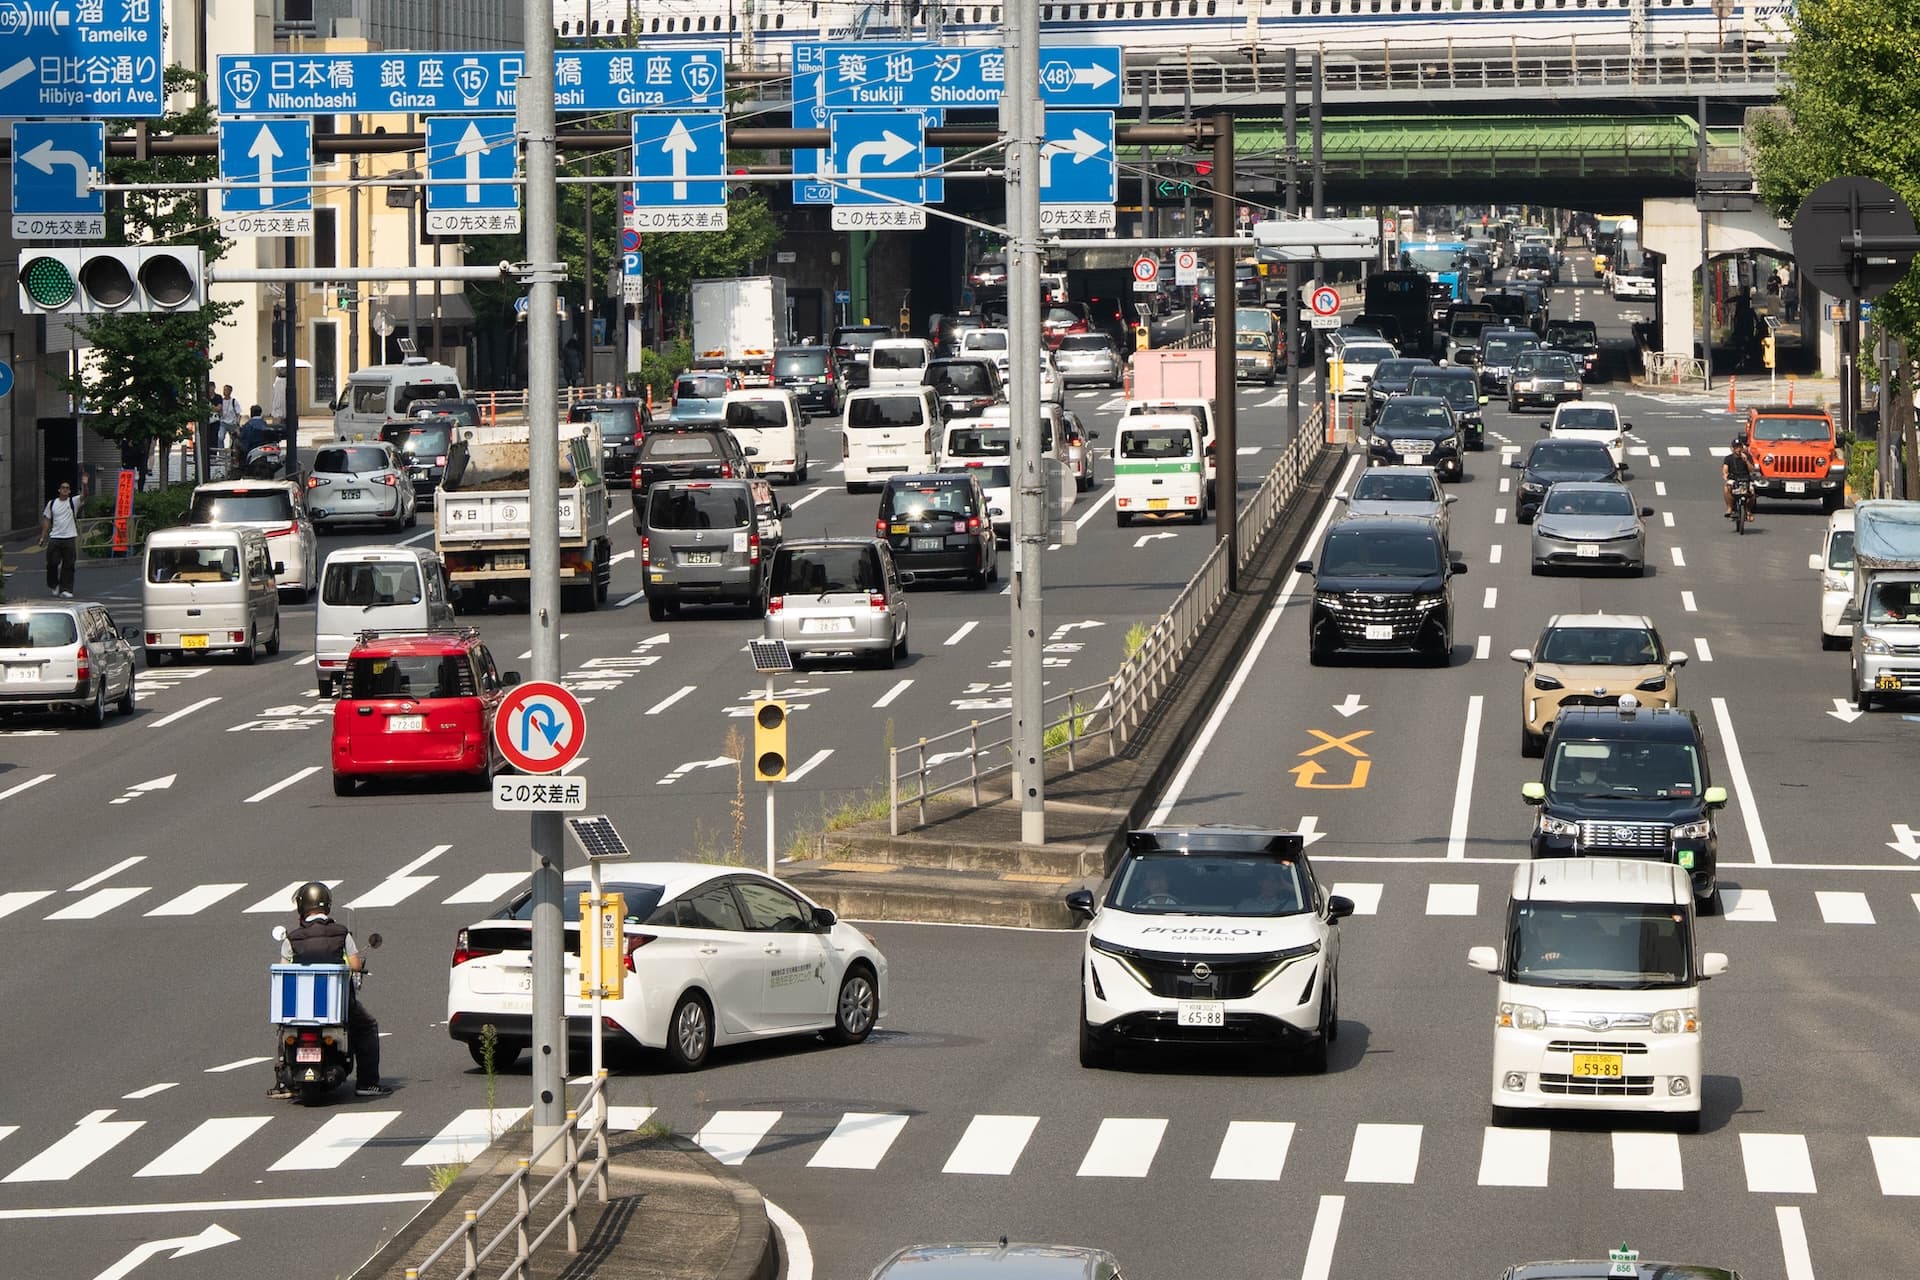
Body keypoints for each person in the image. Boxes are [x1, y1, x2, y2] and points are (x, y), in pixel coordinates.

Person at [272, 881, 389, 1099]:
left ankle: (283, 1084)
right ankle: (367, 1083)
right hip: (336, 1005)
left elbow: (284, 969)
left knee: (283, 1029)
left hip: (300, 1008)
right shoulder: (341, 933)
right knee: (367, 1027)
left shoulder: (291, 938)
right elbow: (354, 965)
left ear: (301, 906)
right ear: (327, 906)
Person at [35, 480, 84, 597]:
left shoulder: (73, 502)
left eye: (67, 488)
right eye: (63, 487)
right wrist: (42, 537)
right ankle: (54, 584)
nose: (65, 489)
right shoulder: (52, 504)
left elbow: (84, 495)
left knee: (69, 564)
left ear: (70, 491)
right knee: (52, 563)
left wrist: (85, 484)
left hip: (69, 537)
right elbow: (47, 520)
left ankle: (66, 589)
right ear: (59, 490)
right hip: (55, 537)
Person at [1723, 435, 1757, 522]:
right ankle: (1730, 508)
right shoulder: (1728, 458)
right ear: (1732, 448)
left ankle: (1748, 511)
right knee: (1727, 488)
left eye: (1739, 447)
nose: (1738, 449)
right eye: (1736, 447)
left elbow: (1752, 470)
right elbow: (1725, 470)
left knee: (1752, 492)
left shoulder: (1747, 457)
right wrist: (1726, 476)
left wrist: (1746, 461)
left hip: (1746, 479)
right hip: (1734, 479)